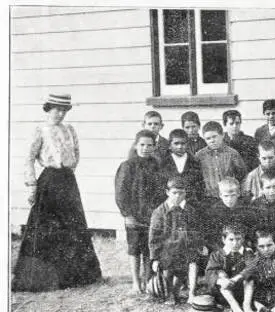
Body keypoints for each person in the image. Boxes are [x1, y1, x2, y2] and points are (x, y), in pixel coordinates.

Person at [13, 93, 102, 292]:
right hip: (49, 182)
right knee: (48, 228)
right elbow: (28, 158)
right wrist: (32, 185)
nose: (60, 114)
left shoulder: (69, 130)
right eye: (56, 109)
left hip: (67, 180)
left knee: (72, 225)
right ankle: (42, 277)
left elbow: (76, 152)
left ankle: (74, 275)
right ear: (48, 109)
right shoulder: (40, 130)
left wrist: (69, 170)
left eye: (64, 110)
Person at [115, 130, 166, 294]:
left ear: (155, 146)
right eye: (142, 145)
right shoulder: (127, 166)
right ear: (136, 146)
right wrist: (127, 214)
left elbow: (161, 192)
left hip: (152, 215)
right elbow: (121, 192)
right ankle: (136, 283)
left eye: (149, 145)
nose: (145, 148)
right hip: (134, 215)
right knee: (134, 249)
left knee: (149, 249)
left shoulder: (157, 166)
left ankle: (148, 281)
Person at [148, 177, 206, 304]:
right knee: (168, 267)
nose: (178, 196)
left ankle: (191, 293)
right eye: (174, 193)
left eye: (181, 193)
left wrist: (199, 245)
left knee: (192, 263)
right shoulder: (159, 212)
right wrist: (155, 258)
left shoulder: (190, 210)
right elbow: (154, 237)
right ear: (167, 192)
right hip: (167, 250)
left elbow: (196, 231)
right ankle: (169, 294)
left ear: (185, 193)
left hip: (185, 247)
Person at [205, 224, 257, 312]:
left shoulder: (247, 253)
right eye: (231, 239)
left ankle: (247, 306)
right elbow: (210, 272)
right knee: (221, 273)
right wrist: (221, 281)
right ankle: (235, 308)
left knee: (250, 277)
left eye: (238, 239)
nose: (235, 243)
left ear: (243, 239)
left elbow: (252, 267)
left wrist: (236, 278)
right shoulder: (217, 255)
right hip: (224, 293)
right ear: (223, 240)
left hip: (244, 292)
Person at [195, 121, 248, 201]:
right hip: (209, 198)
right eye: (208, 138)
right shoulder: (200, 155)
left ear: (222, 135)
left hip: (229, 197)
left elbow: (243, 175)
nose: (212, 141)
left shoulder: (232, 153)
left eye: (214, 137)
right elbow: (197, 178)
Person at [203, 177, 258, 253]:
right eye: (226, 196)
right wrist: (222, 249)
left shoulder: (247, 210)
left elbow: (252, 232)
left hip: (243, 247)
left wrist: (247, 246)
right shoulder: (213, 212)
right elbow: (211, 236)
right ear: (220, 195)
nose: (229, 199)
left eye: (233, 195)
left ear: (238, 194)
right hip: (222, 249)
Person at [158, 129, 204, 204]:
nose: (180, 147)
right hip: (169, 203)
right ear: (169, 145)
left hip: (190, 204)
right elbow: (160, 186)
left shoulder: (194, 162)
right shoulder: (163, 163)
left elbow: (199, 186)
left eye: (183, 143)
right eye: (176, 143)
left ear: (187, 144)